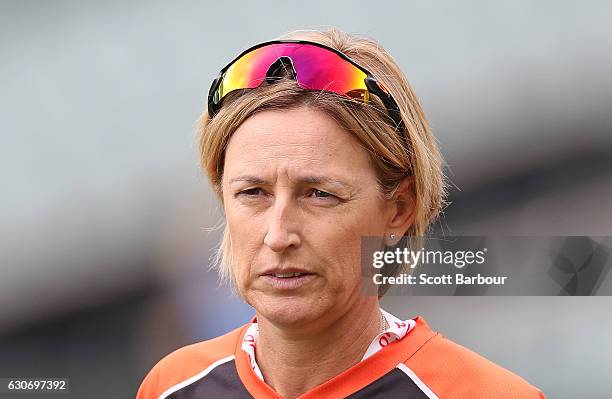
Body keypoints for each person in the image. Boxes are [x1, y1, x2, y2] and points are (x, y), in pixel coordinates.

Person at [136, 28, 546, 399]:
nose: (278, 235)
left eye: (318, 194)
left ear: (399, 210)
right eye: (253, 192)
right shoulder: (172, 386)